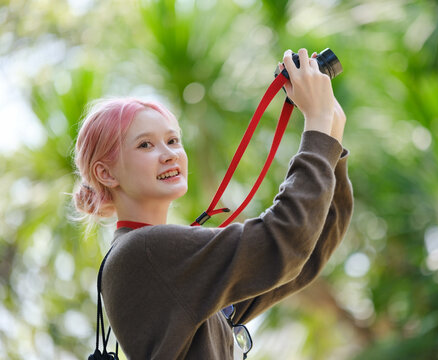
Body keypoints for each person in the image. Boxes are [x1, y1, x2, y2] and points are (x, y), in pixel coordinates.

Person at [73, 48, 353, 359]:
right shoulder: (145, 251)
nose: (169, 154)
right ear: (105, 173)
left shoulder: (162, 263)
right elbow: (284, 241)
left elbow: (305, 255)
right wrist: (316, 123)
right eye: (145, 144)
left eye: (173, 140)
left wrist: (332, 128)